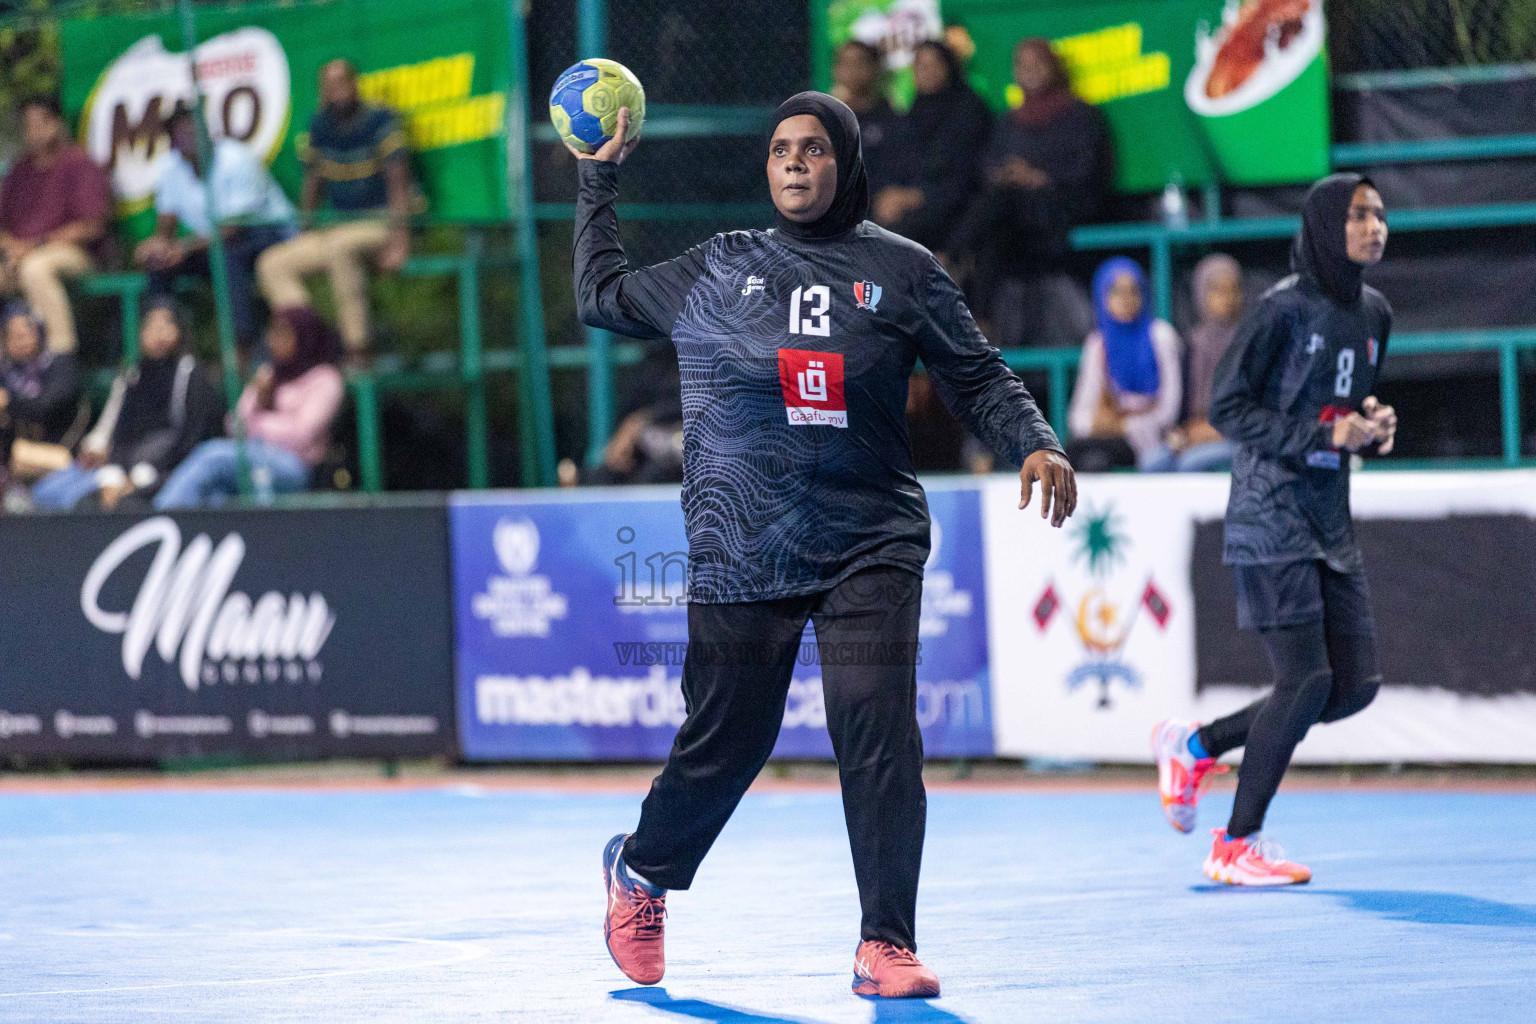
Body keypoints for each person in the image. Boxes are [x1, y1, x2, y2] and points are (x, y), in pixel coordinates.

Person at [573, 95, 1076, 998]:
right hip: (741, 541)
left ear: (846, 163)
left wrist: (1033, 439)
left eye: (813, 149)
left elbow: (978, 374)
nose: (795, 163)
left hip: (868, 539)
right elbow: (599, 295)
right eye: (779, 150)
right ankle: (641, 872)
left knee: (875, 725)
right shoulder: (718, 267)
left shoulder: (905, 271)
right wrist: (597, 179)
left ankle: (885, 942)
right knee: (728, 742)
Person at [1152, 173, 1396, 886]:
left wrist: (1372, 425)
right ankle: (1236, 845)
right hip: (1270, 516)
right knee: (1307, 676)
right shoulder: (1281, 310)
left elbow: (1347, 404)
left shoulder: (1375, 311)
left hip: (1329, 519)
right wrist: (1326, 433)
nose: (1374, 226)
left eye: (1380, 214)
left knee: (1353, 686)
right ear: (1325, 225)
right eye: (1358, 215)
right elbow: (1227, 407)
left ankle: (1196, 745)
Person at [943, 38, 1111, 349]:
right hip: (1016, 220)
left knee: (995, 211)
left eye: (1037, 63)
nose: (1029, 71)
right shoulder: (1008, 122)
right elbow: (988, 167)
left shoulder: (1081, 116)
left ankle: (950, 261)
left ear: (1054, 67)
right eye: (1022, 65)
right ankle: (981, 316)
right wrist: (1007, 174)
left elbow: (1090, 175)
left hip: (1061, 213)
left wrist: (1037, 177)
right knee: (994, 220)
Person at [257, 59, 415, 359]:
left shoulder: (380, 120)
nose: (338, 89)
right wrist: (304, 231)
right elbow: (312, 185)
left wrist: (400, 240)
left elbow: (399, 184)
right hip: (337, 228)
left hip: (379, 223)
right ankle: (311, 340)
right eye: (330, 84)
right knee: (272, 263)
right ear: (322, 91)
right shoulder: (319, 126)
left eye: (343, 81)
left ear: (355, 84)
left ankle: (358, 349)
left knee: (339, 247)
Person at [33, 298, 222, 511]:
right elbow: (113, 429)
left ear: (179, 330)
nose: (159, 333)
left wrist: (143, 475)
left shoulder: (188, 374)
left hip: (167, 470)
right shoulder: (131, 377)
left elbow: (190, 438)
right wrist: (107, 464)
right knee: (57, 496)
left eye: (166, 324)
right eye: (151, 325)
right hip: (119, 467)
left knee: (131, 505)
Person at [135, 109, 297, 353]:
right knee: (159, 263)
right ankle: (162, 340)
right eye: (183, 136)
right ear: (173, 144)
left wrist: (184, 247)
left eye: (195, 131)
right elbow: (166, 228)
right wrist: (157, 246)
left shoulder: (235, 157)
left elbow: (234, 228)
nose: (191, 139)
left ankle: (242, 346)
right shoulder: (172, 169)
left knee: (228, 255)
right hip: (214, 242)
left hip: (267, 233)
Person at [154, 305, 343, 508]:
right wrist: (258, 402)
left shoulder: (325, 379)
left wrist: (259, 422)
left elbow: (301, 435)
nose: (275, 340)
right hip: (251, 459)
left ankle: (158, 516)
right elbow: (234, 425)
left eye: (284, 333)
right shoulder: (269, 374)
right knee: (215, 496)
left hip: (296, 466)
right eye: (273, 332)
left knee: (213, 455)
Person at [0, 96, 113, 355]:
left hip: (75, 255)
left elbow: (90, 227)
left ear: (57, 124)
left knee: (35, 269)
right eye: (27, 125)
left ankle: (60, 360)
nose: (34, 131)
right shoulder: (18, 171)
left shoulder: (80, 165)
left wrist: (32, 247)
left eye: (40, 123)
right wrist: (12, 248)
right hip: (18, 256)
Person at [872, 40, 991, 251]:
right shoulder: (912, 115)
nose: (926, 71)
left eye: (934, 64)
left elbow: (969, 176)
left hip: (957, 208)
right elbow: (896, 165)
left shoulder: (968, 111)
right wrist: (888, 195)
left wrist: (916, 197)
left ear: (950, 68)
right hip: (915, 205)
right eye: (920, 65)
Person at [1066, 257, 1182, 471]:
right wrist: (1095, 424)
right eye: (1116, 292)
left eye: (1133, 291)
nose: (1126, 299)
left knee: (1092, 458)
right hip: (1107, 437)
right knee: (1074, 452)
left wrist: (1124, 426)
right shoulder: (1098, 344)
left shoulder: (1161, 337)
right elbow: (1078, 415)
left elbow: (1170, 409)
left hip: (1153, 438)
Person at [1144, 253, 1244, 472]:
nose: (1226, 298)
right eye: (1217, 290)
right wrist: (1182, 432)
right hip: (1195, 432)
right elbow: (1181, 406)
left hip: (1235, 436)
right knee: (1151, 463)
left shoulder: (1248, 341)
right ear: (1201, 293)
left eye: (1232, 290)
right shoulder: (1192, 344)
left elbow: (1252, 407)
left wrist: (1214, 430)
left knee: (1189, 464)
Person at [0, 303, 83, 499]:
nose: (20, 340)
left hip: (63, 457)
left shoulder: (60, 367)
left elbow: (44, 407)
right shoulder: (5, 372)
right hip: (16, 461)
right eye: (13, 335)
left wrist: (8, 402)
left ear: (40, 332)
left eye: (26, 332)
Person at [830, 40, 902, 197]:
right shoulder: (827, 120)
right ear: (836, 70)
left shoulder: (892, 119)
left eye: (860, 63)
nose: (852, 71)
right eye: (846, 63)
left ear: (875, 68)